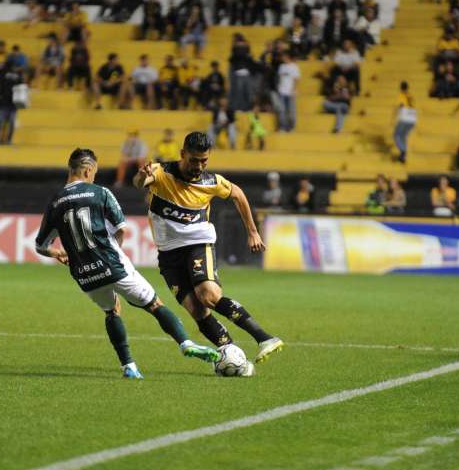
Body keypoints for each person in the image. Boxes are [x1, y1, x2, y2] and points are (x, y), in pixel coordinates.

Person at [34, 148, 220, 379]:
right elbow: (122, 228)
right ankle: (185, 343)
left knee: (112, 311)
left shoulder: (55, 202)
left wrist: (58, 253)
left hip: (83, 273)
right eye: (94, 172)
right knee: (154, 304)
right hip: (113, 263)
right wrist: (113, 251)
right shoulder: (100, 192)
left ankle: (129, 367)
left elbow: (41, 245)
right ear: (88, 170)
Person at [133, 132, 284, 363]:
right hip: (168, 254)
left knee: (209, 295)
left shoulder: (211, 182)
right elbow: (139, 183)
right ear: (182, 154)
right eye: (194, 160)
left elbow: (238, 194)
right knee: (196, 310)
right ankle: (233, 356)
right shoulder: (161, 172)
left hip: (197, 243)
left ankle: (265, 338)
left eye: (204, 160)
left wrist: (253, 232)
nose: (199, 166)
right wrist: (141, 176)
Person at [273, 51, 299, 132]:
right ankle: (282, 127)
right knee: (282, 110)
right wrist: (279, 88)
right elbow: (280, 78)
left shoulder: (294, 66)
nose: (282, 58)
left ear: (288, 56)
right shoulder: (281, 66)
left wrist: (294, 89)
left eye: (283, 56)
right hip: (282, 91)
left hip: (290, 92)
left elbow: (297, 79)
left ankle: (291, 127)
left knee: (291, 111)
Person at [394, 81, 416, 164]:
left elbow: (401, 105)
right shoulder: (411, 95)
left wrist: (396, 115)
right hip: (413, 118)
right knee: (403, 136)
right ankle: (403, 156)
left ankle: (403, 151)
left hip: (405, 117)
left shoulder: (401, 95)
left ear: (400, 87)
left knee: (396, 135)